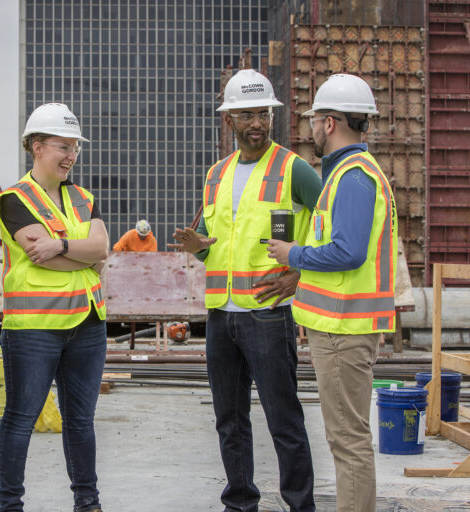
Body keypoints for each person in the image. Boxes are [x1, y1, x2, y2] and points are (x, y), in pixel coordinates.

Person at [169, 68, 321, 512]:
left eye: (263, 113)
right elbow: (219, 248)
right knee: (229, 421)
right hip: (222, 316)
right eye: (246, 114)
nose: (256, 122)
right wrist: (199, 248)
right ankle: (239, 503)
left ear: (272, 116)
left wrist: (301, 271)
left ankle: (300, 505)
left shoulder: (293, 169)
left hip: (269, 313)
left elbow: (332, 221)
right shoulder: (216, 175)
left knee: (284, 419)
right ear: (229, 119)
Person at [267, 73, 397, 512]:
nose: (310, 130)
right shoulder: (346, 174)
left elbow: (348, 252)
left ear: (329, 123)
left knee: (348, 440)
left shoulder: (354, 178)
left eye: (314, 120)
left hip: (344, 330)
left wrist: (294, 253)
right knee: (347, 437)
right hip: (339, 327)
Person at [0, 103, 109, 512]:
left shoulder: (82, 197)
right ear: (36, 146)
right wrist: (83, 254)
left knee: (81, 421)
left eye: (75, 147)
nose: (72, 155)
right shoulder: (13, 200)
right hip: (34, 328)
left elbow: (101, 249)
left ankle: (88, 502)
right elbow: (69, 255)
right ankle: (10, 505)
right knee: (21, 419)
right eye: (63, 146)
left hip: (87, 323)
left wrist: (60, 245)